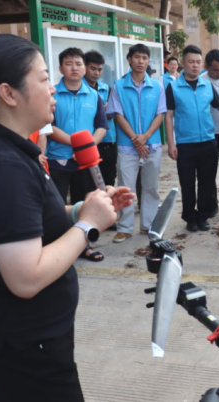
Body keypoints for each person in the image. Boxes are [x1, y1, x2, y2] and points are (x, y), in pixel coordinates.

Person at [0, 34, 134, 400]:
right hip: (21, 344)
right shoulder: (1, 167)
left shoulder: (13, 150)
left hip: (33, 337)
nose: (52, 90)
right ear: (8, 93)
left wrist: (80, 210)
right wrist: (88, 225)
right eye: (45, 79)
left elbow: (28, 220)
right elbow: (25, 277)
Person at [46, 47, 108, 262]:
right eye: (69, 63)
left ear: (84, 68)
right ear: (60, 68)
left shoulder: (94, 95)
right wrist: (77, 145)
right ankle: (57, 247)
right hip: (58, 160)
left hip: (85, 161)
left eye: (78, 63)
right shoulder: (51, 93)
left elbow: (101, 126)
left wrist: (86, 148)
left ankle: (84, 245)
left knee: (84, 204)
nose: (74, 67)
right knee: (57, 206)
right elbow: (48, 126)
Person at [107, 44, 167, 243]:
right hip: (127, 146)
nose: (141, 61)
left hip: (152, 145)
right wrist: (136, 139)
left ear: (148, 61)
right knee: (126, 188)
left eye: (144, 58)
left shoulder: (157, 86)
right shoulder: (119, 86)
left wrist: (146, 137)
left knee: (150, 187)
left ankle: (148, 225)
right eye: (137, 57)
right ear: (129, 59)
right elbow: (118, 115)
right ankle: (125, 228)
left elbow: (160, 114)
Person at [165, 45, 219, 232]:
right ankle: (190, 217)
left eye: (198, 62)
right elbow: (169, 116)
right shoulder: (173, 87)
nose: (195, 65)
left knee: (207, 182)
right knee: (187, 183)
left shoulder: (207, 85)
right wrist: (171, 144)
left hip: (208, 142)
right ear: (183, 63)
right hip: (185, 144)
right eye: (191, 62)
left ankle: (203, 216)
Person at [84, 50, 118, 189]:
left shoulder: (106, 88)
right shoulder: (80, 89)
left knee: (108, 182)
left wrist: (105, 111)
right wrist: (102, 110)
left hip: (107, 142)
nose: (96, 73)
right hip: (88, 142)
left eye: (99, 69)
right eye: (93, 68)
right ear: (84, 67)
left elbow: (114, 113)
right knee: (88, 185)